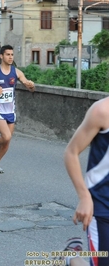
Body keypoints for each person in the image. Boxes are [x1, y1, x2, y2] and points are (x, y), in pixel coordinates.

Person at [63, 96, 109, 266]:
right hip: (103, 208)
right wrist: (84, 197)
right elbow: (71, 152)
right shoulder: (102, 111)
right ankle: (70, 259)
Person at [0, 45, 35, 174]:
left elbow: (29, 88)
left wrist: (31, 86)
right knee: (6, 136)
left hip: (10, 110)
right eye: (7, 54)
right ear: (1, 56)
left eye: (12, 55)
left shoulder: (16, 72)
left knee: (7, 140)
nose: (10, 57)